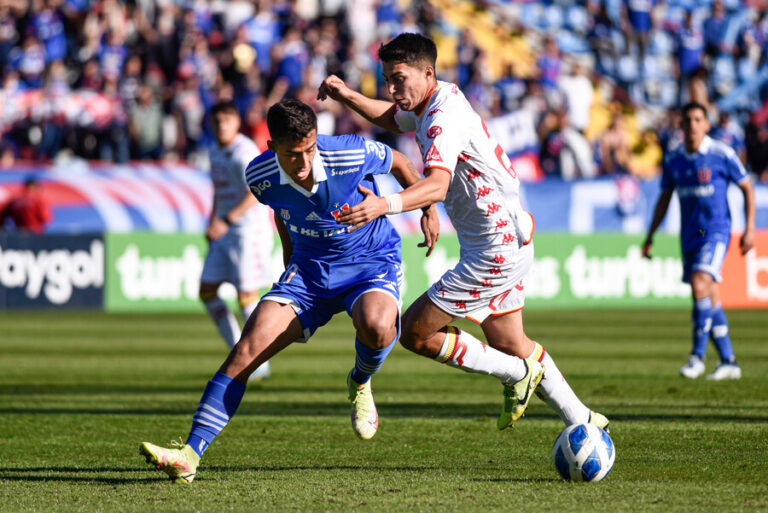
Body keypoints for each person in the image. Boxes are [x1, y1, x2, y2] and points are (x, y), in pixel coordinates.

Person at [140, 99, 464, 484]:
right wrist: (290, 260)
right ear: (273, 146)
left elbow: (397, 159)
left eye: (310, 149)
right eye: (294, 154)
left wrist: (425, 206)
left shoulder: (348, 151)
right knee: (246, 351)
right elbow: (282, 209)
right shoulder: (259, 175)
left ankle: (360, 380)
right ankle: (189, 455)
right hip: (309, 273)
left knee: (378, 327)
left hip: (369, 262)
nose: (306, 161)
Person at [318, 33, 608, 432]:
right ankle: (584, 418)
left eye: (399, 78)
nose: (392, 88)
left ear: (427, 72)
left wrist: (385, 204)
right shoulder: (433, 101)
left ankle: (516, 375)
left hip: (495, 248)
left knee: (416, 333)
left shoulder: (442, 117)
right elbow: (390, 118)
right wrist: (346, 93)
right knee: (511, 343)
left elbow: (436, 183)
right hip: (504, 237)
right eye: (387, 79)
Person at [643, 101, 755, 380]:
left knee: (699, 282)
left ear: (706, 124)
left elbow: (747, 187)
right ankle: (729, 361)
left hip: (716, 232)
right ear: (680, 126)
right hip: (691, 235)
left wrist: (750, 229)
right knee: (710, 295)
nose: (692, 125)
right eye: (688, 120)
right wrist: (650, 235)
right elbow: (665, 198)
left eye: (698, 120)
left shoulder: (721, 153)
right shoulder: (674, 159)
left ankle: (697, 357)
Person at [199, 101, 273, 381]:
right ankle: (237, 350)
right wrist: (212, 221)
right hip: (224, 230)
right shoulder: (215, 151)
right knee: (207, 291)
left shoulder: (244, 152)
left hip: (248, 231)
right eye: (216, 122)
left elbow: (255, 192)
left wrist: (226, 220)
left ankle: (257, 360)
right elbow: (219, 191)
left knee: (246, 296)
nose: (220, 127)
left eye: (225, 121)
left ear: (235, 122)